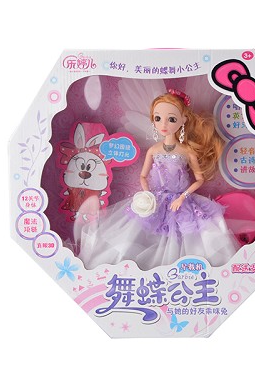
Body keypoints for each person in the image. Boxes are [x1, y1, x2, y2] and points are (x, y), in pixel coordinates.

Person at [78, 90, 239, 269]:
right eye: (158, 118)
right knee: (138, 234)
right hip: (155, 200)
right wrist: (148, 195)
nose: (163, 124)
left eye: (171, 119)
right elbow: (142, 176)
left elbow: (199, 180)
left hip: (181, 202)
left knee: (187, 237)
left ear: (183, 120)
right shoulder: (154, 150)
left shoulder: (187, 151)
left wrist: (182, 197)